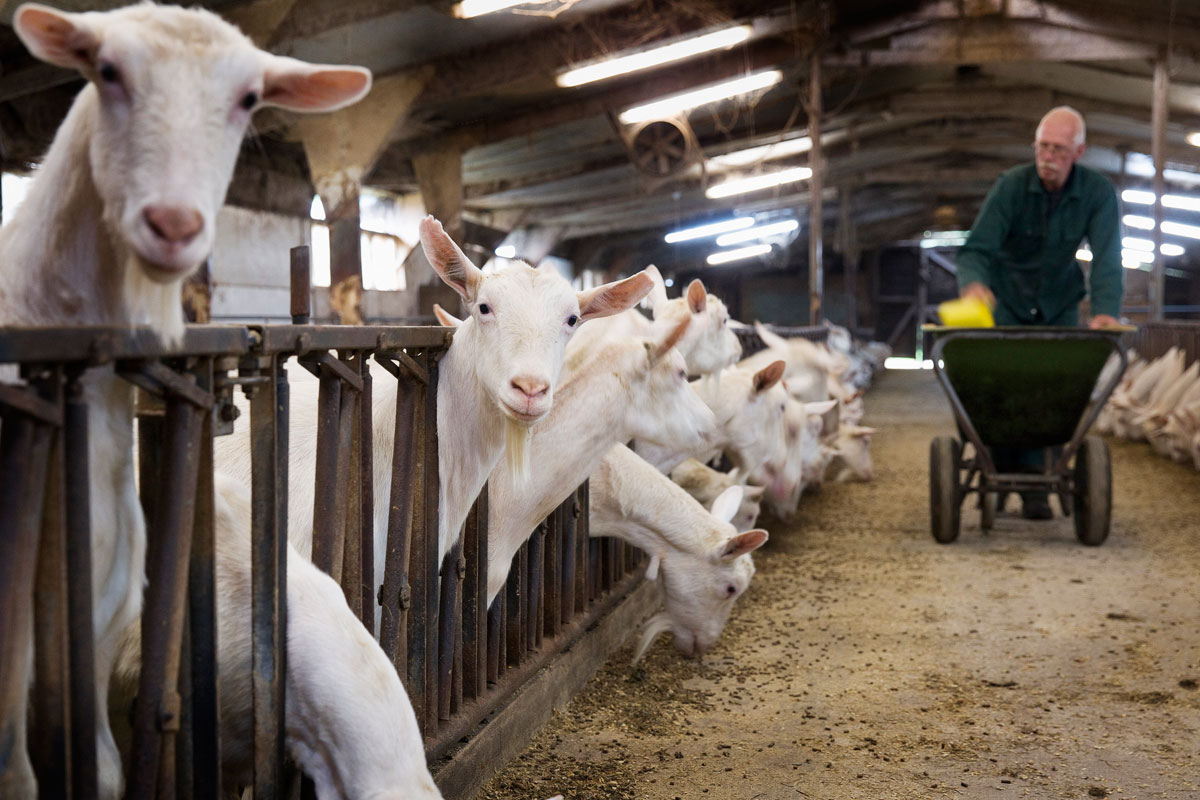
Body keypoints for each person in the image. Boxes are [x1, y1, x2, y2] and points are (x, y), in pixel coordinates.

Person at [955, 106, 1124, 519]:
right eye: (1042, 147)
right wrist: (974, 285)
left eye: (1059, 150)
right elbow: (977, 248)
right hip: (1007, 303)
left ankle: (1036, 482)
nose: (1048, 157)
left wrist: (1104, 312)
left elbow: (1107, 258)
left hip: (1059, 304)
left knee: (1055, 389)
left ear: (1079, 151)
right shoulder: (1011, 187)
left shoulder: (1097, 194)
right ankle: (1003, 462)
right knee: (1001, 384)